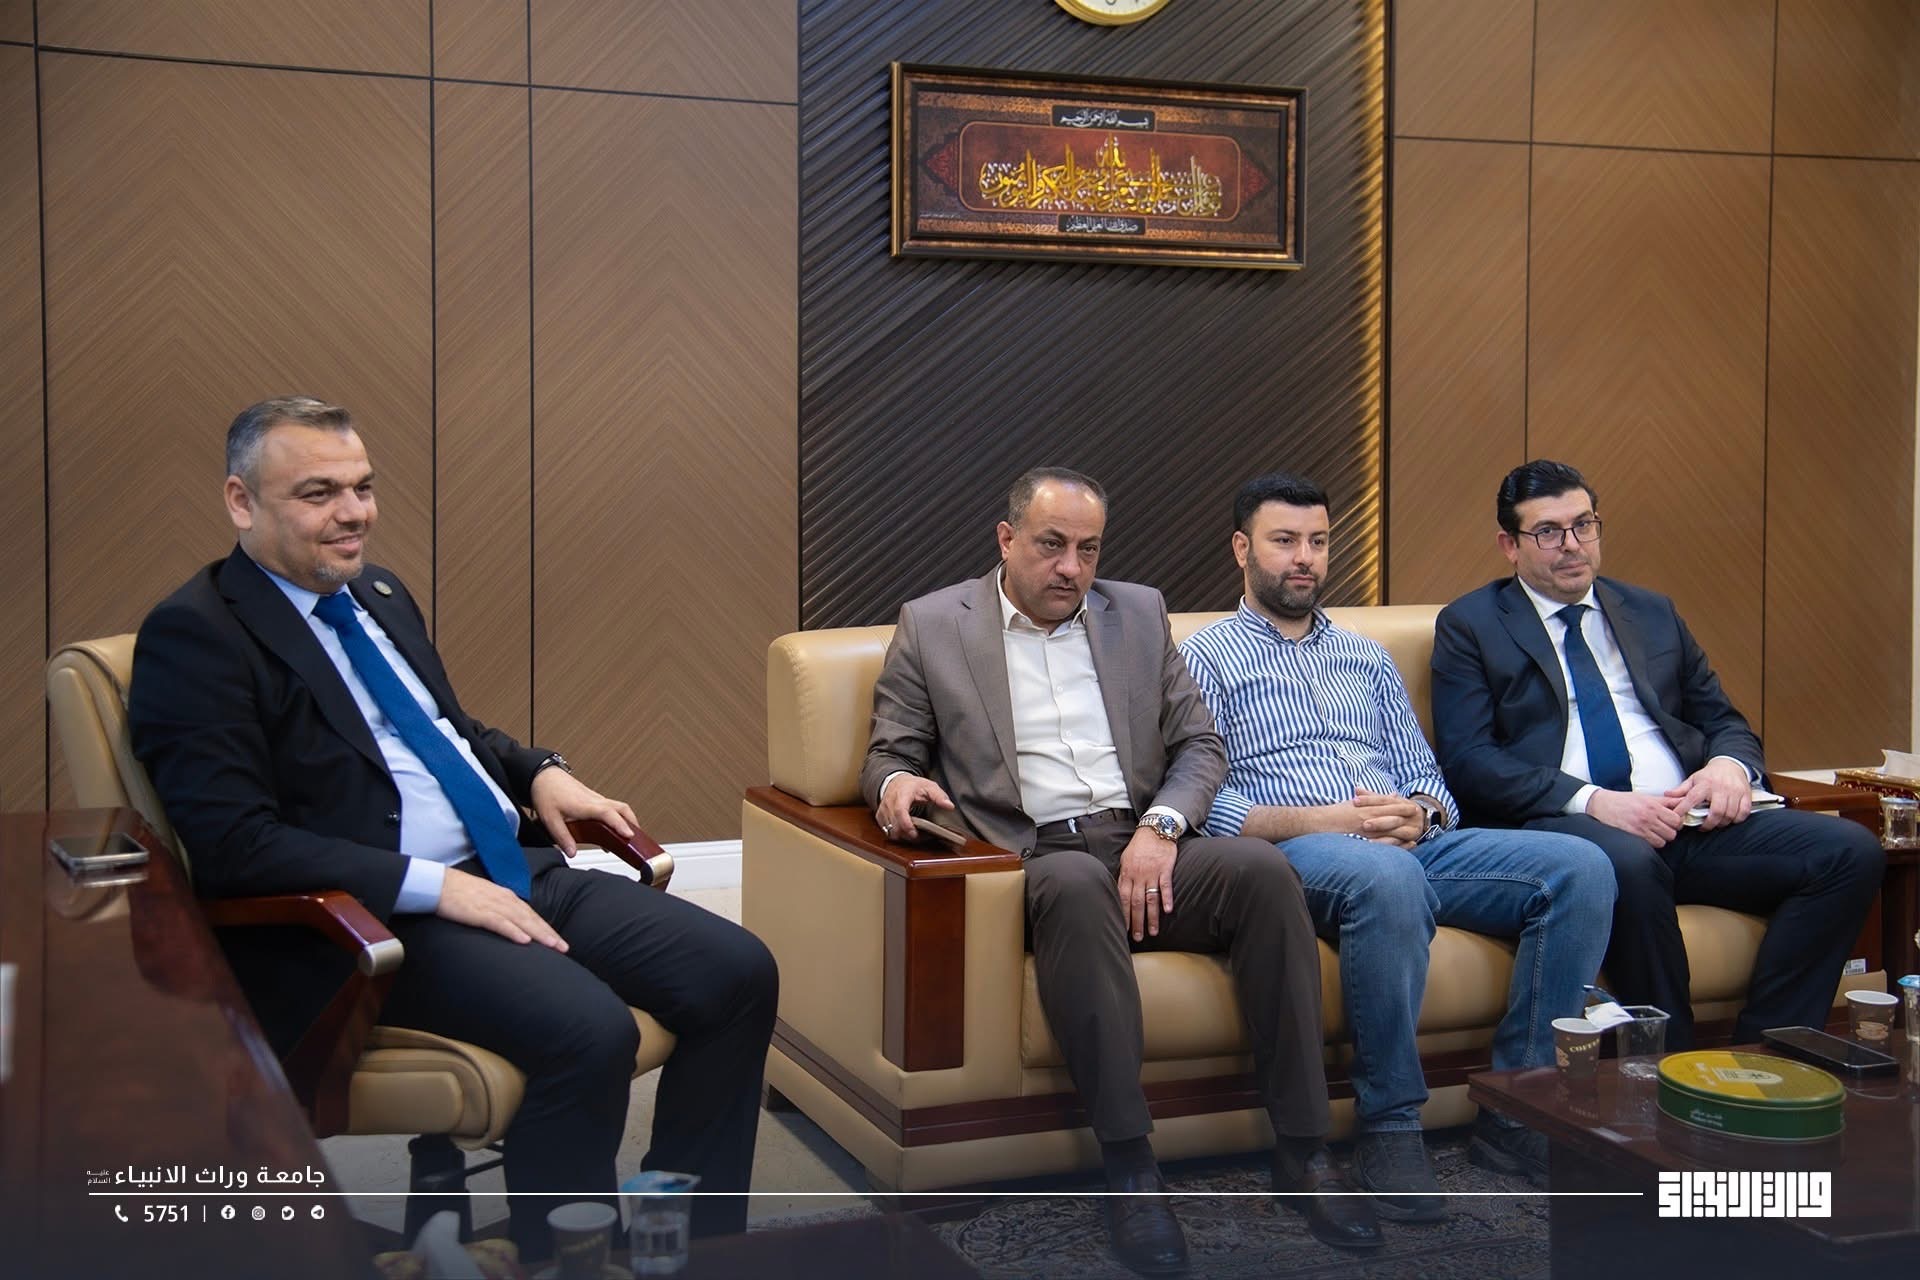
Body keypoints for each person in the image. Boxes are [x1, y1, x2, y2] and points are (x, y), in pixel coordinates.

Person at [129, 396, 778, 1260]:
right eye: (319, 493)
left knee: (738, 971)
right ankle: (562, 1260)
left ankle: (693, 1247)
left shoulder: (376, 593)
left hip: (508, 867)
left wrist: (539, 769)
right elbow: (233, 845)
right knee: (589, 1029)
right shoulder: (197, 636)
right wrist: (438, 888)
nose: (353, 513)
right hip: (375, 919)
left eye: (362, 487)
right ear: (241, 502)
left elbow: (446, 732)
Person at [863, 467, 1379, 1275]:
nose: (1071, 567)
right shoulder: (934, 625)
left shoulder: (1137, 612)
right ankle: (1132, 1166)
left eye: (1089, 549)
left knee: (1261, 872)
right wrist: (897, 785)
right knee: (1074, 887)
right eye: (1051, 545)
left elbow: (1199, 745)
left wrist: (1162, 827)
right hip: (1036, 855)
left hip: (1144, 837)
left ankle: (1305, 1148)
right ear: (1007, 539)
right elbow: (889, 753)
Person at [1178, 473, 1614, 1206]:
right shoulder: (1204, 658)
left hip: (1410, 846)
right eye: (1285, 541)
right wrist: (1323, 821)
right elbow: (1203, 801)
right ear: (1242, 550)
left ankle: (1520, 1110)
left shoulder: (1367, 657)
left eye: (1318, 542)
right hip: (1298, 854)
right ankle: (1390, 1123)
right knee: (1388, 878)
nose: (1305, 558)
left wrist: (1421, 812)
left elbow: (1428, 777)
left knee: (1583, 867)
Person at [1430, 459, 1884, 1050]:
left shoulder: (1650, 612)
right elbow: (1470, 760)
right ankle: (1673, 1065)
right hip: (1570, 827)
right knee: (1627, 861)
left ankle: (1771, 1052)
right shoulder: (1471, 624)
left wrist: (1727, 768)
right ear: (1509, 546)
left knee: (1849, 851)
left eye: (1583, 525)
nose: (1572, 545)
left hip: (1686, 821)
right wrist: (1596, 802)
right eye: (1547, 532)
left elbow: (1723, 721)